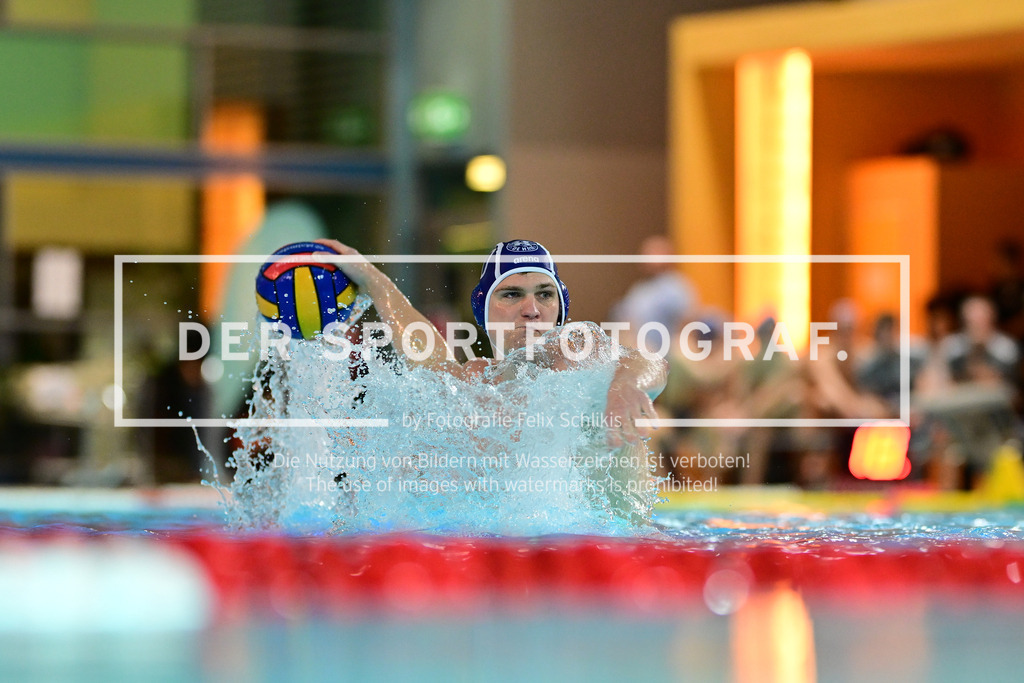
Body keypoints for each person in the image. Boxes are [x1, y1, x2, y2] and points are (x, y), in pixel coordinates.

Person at [314, 238, 667, 448]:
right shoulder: (479, 379)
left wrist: (625, 385)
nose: (532, 310)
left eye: (545, 295)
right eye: (512, 295)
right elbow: (431, 357)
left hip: (615, 555)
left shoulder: (573, 350)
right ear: (483, 313)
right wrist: (376, 283)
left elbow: (647, 360)